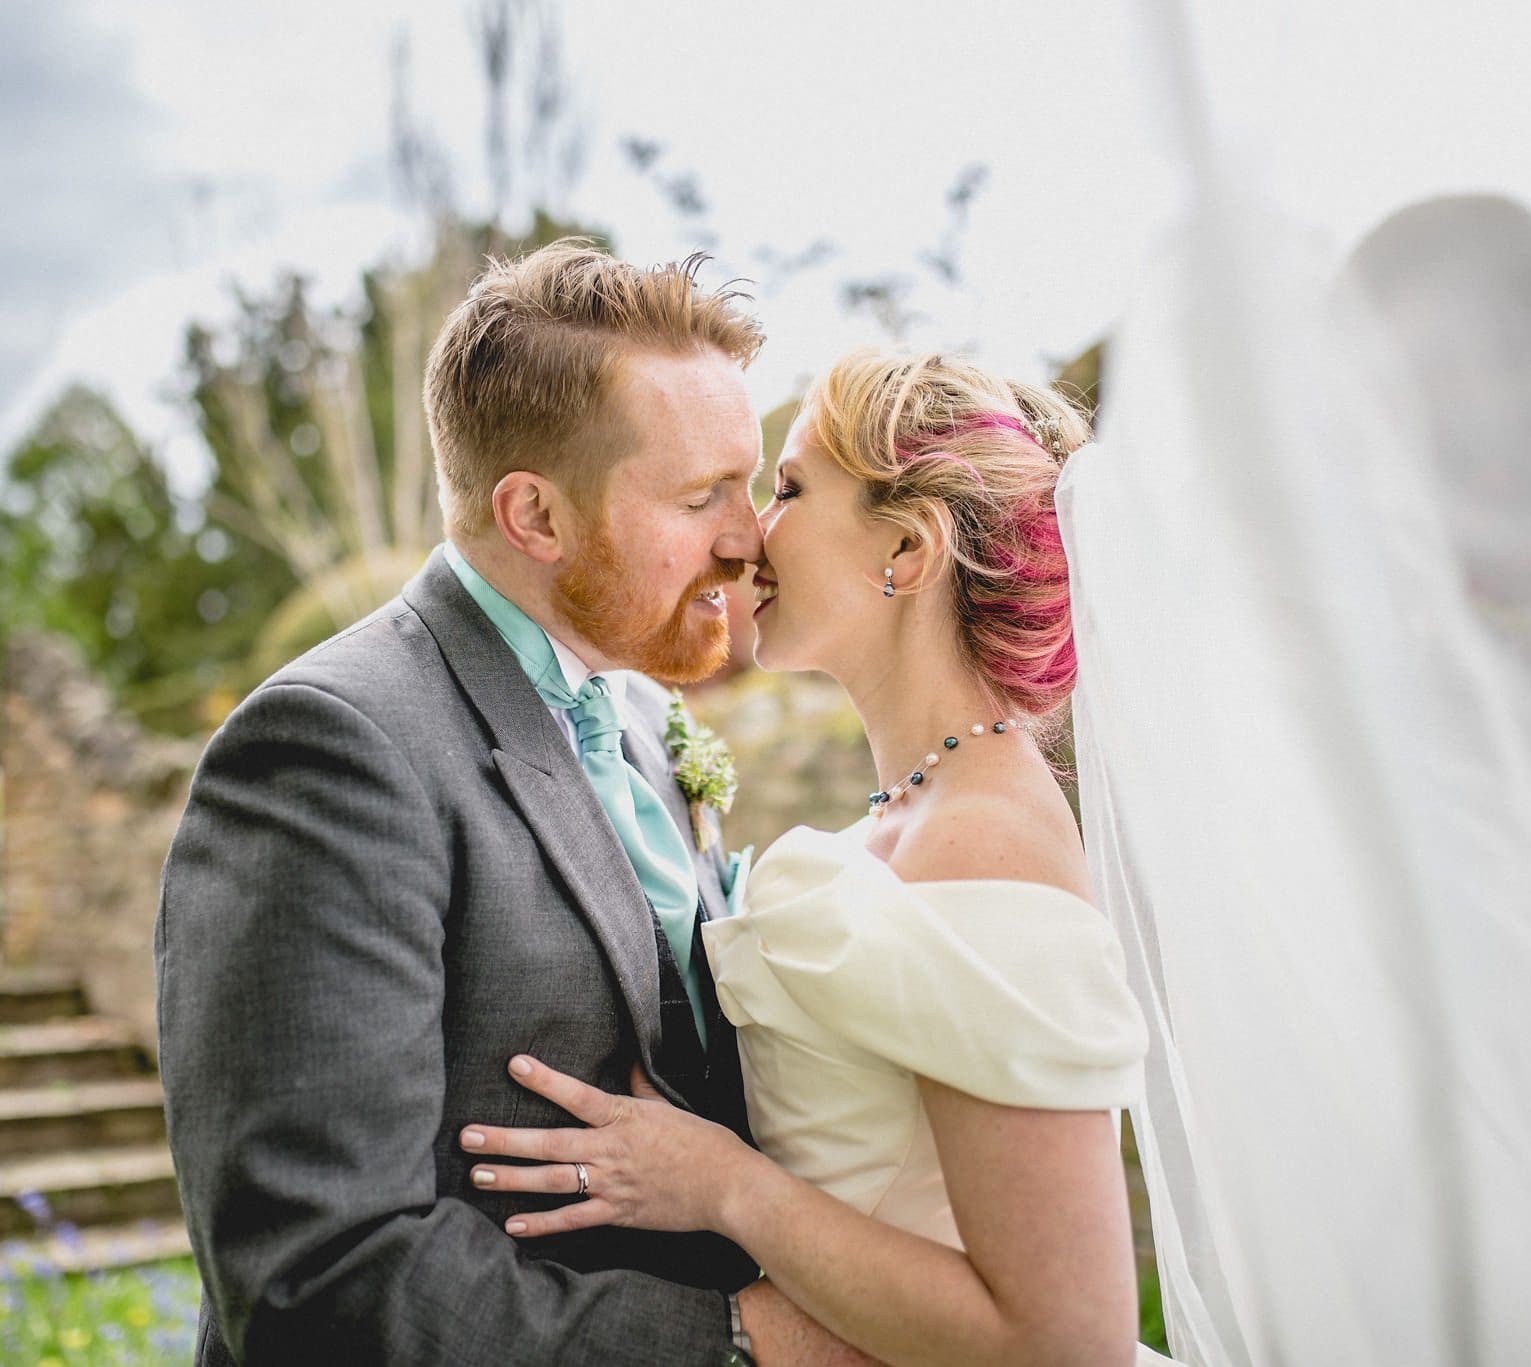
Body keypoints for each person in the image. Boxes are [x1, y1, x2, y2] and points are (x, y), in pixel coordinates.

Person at [155, 241, 874, 1364]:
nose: (746, 540)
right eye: (699, 496)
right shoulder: (329, 749)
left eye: (745, 485)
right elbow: (317, 1282)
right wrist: (738, 1339)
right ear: (533, 516)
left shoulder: (636, 712)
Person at [459, 351, 1162, 1367]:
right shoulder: (924, 812)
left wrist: (723, 1185)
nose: (746, 534)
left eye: (786, 488)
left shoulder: (982, 838)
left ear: (907, 550)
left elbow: (1065, 1337)